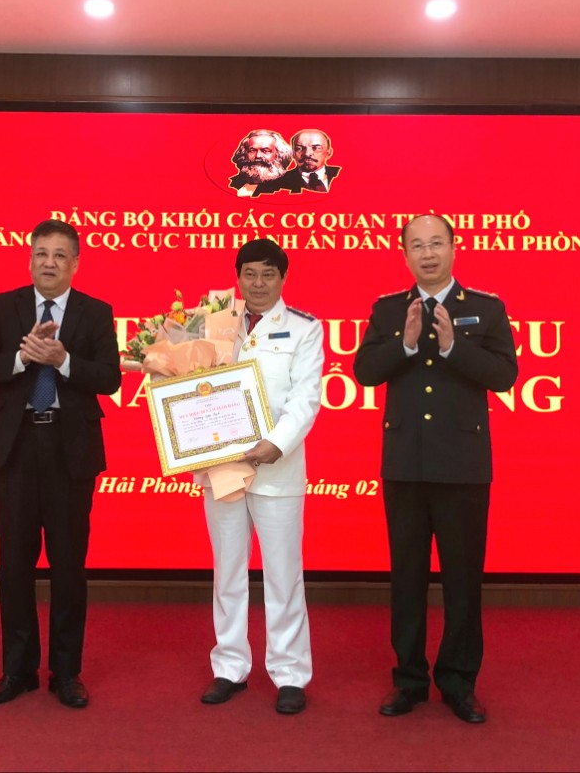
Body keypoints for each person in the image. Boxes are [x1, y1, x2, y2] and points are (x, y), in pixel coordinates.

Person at [353, 214, 518, 724]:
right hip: (405, 464)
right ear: (404, 254)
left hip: (463, 467)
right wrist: (404, 344)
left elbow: (505, 376)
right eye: (417, 246)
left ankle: (459, 683)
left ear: (453, 247)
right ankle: (408, 680)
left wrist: (453, 348)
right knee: (406, 578)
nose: (428, 254)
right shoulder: (388, 310)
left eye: (436, 244)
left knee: (462, 580)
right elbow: (364, 371)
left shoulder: (485, 308)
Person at [0, 219, 121, 710]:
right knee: (14, 563)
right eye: (41, 254)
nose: (49, 263)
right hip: (14, 448)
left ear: (75, 263)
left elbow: (110, 378)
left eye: (59, 255)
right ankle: (18, 670)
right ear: (30, 259)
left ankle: (67, 673)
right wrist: (22, 357)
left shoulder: (96, 311)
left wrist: (62, 360)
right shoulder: (3, 306)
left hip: (69, 449)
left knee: (69, 565)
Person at [198, 238, 324, 714]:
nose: (258, 283)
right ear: (237, 277)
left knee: (283, 575)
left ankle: (289, 673)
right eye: (249, 273)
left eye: (268, 274)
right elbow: (191, 383)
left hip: (277, 468)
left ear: (283, 278)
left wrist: (276, 443)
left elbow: (305, 397)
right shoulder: (214, 323)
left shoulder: (304, 328)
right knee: (227, 571)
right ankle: (229, 666)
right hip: (224, 468)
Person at [227, 129, 294, 197]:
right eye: (252, 150)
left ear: (279, 154)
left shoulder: (290, 186)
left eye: (265, 151)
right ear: (244, 153)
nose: (258, 155)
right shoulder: (231, 183)